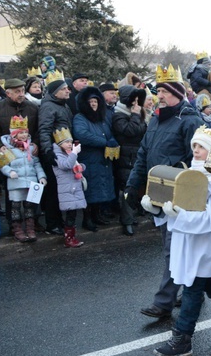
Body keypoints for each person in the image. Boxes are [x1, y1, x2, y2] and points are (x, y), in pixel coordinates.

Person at [150, 124, 211, 356]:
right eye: (194, 145)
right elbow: (174, 203)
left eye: (202, 146)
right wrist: (158, 208)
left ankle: (182, 338)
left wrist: (179, 215)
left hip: (207, 242)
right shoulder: (187, 175)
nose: (196, 150)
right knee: (209, 281)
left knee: (193, 286)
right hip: (187, 239)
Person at [125, 64, 203, 319]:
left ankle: (164, 302)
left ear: (179, 92)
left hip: (179, 196)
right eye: (158, 90)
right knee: (177, 249)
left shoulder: (190, 120)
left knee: (174, 249)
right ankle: (195, 290)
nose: (160, 96)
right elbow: (143, 154)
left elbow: (199, 160)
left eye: (165, 91)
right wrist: (133, 185)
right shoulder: (156, 118)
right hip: (157, 193)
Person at [72, 86, 117, 232]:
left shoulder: (101, 117)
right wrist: (104, 142)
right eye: (91, 101)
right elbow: (82, 134)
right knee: (89, 189)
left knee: (101, 187)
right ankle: (87, 219)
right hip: (89, 159)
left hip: (102, 159)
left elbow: (108, 133)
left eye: (96, 101)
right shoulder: (80, 118)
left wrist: (113, 141)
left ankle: (97, 215)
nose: (93, 104)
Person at [0, 116, 47, 243]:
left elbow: (36, 164)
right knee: (15, 206)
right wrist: (10, 172)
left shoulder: (30, 148)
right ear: (14, 134)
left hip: (30, 182)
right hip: (16, 183)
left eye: (26, 132)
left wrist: (41, 176)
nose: (24, 135)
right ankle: (18, 230)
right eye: (21, 132)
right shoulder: (7, 149)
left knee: (29, 206)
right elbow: (3, 165)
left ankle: (30, 229)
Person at [37, 71, 73, 236]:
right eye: (64, 88)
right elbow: (44, 129)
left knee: (62, 188)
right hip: (53, 153)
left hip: (64, 151)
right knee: (53, 190)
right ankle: (52, 223)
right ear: (55, 92)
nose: (68, 91)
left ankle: (59, 221)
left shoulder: (63, 105)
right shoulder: (48, 106)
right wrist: (47, 150)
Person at [111, 85, 147, 236]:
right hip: (126, 158)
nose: (136, 104)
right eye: (134, 100)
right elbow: (131, 131)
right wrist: (135, 116)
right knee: (126, 188)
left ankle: (133, 216)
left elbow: (143, 130)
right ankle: (127, 221)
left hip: (136, 155)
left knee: (135, 187)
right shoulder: (118, 115)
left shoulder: (136, 114)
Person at [52, 128, 86, 248]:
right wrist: (74, 153)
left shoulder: (68, 153)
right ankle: (69, 238)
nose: (70, 144)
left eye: (70, 142)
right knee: (70, 214)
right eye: (67, 142)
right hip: (67, 188)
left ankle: (72, 236)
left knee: (73, 213)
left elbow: (73, 166)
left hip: (73, 186)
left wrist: (81, 166)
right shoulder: (57, 155)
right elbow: (66, 165)